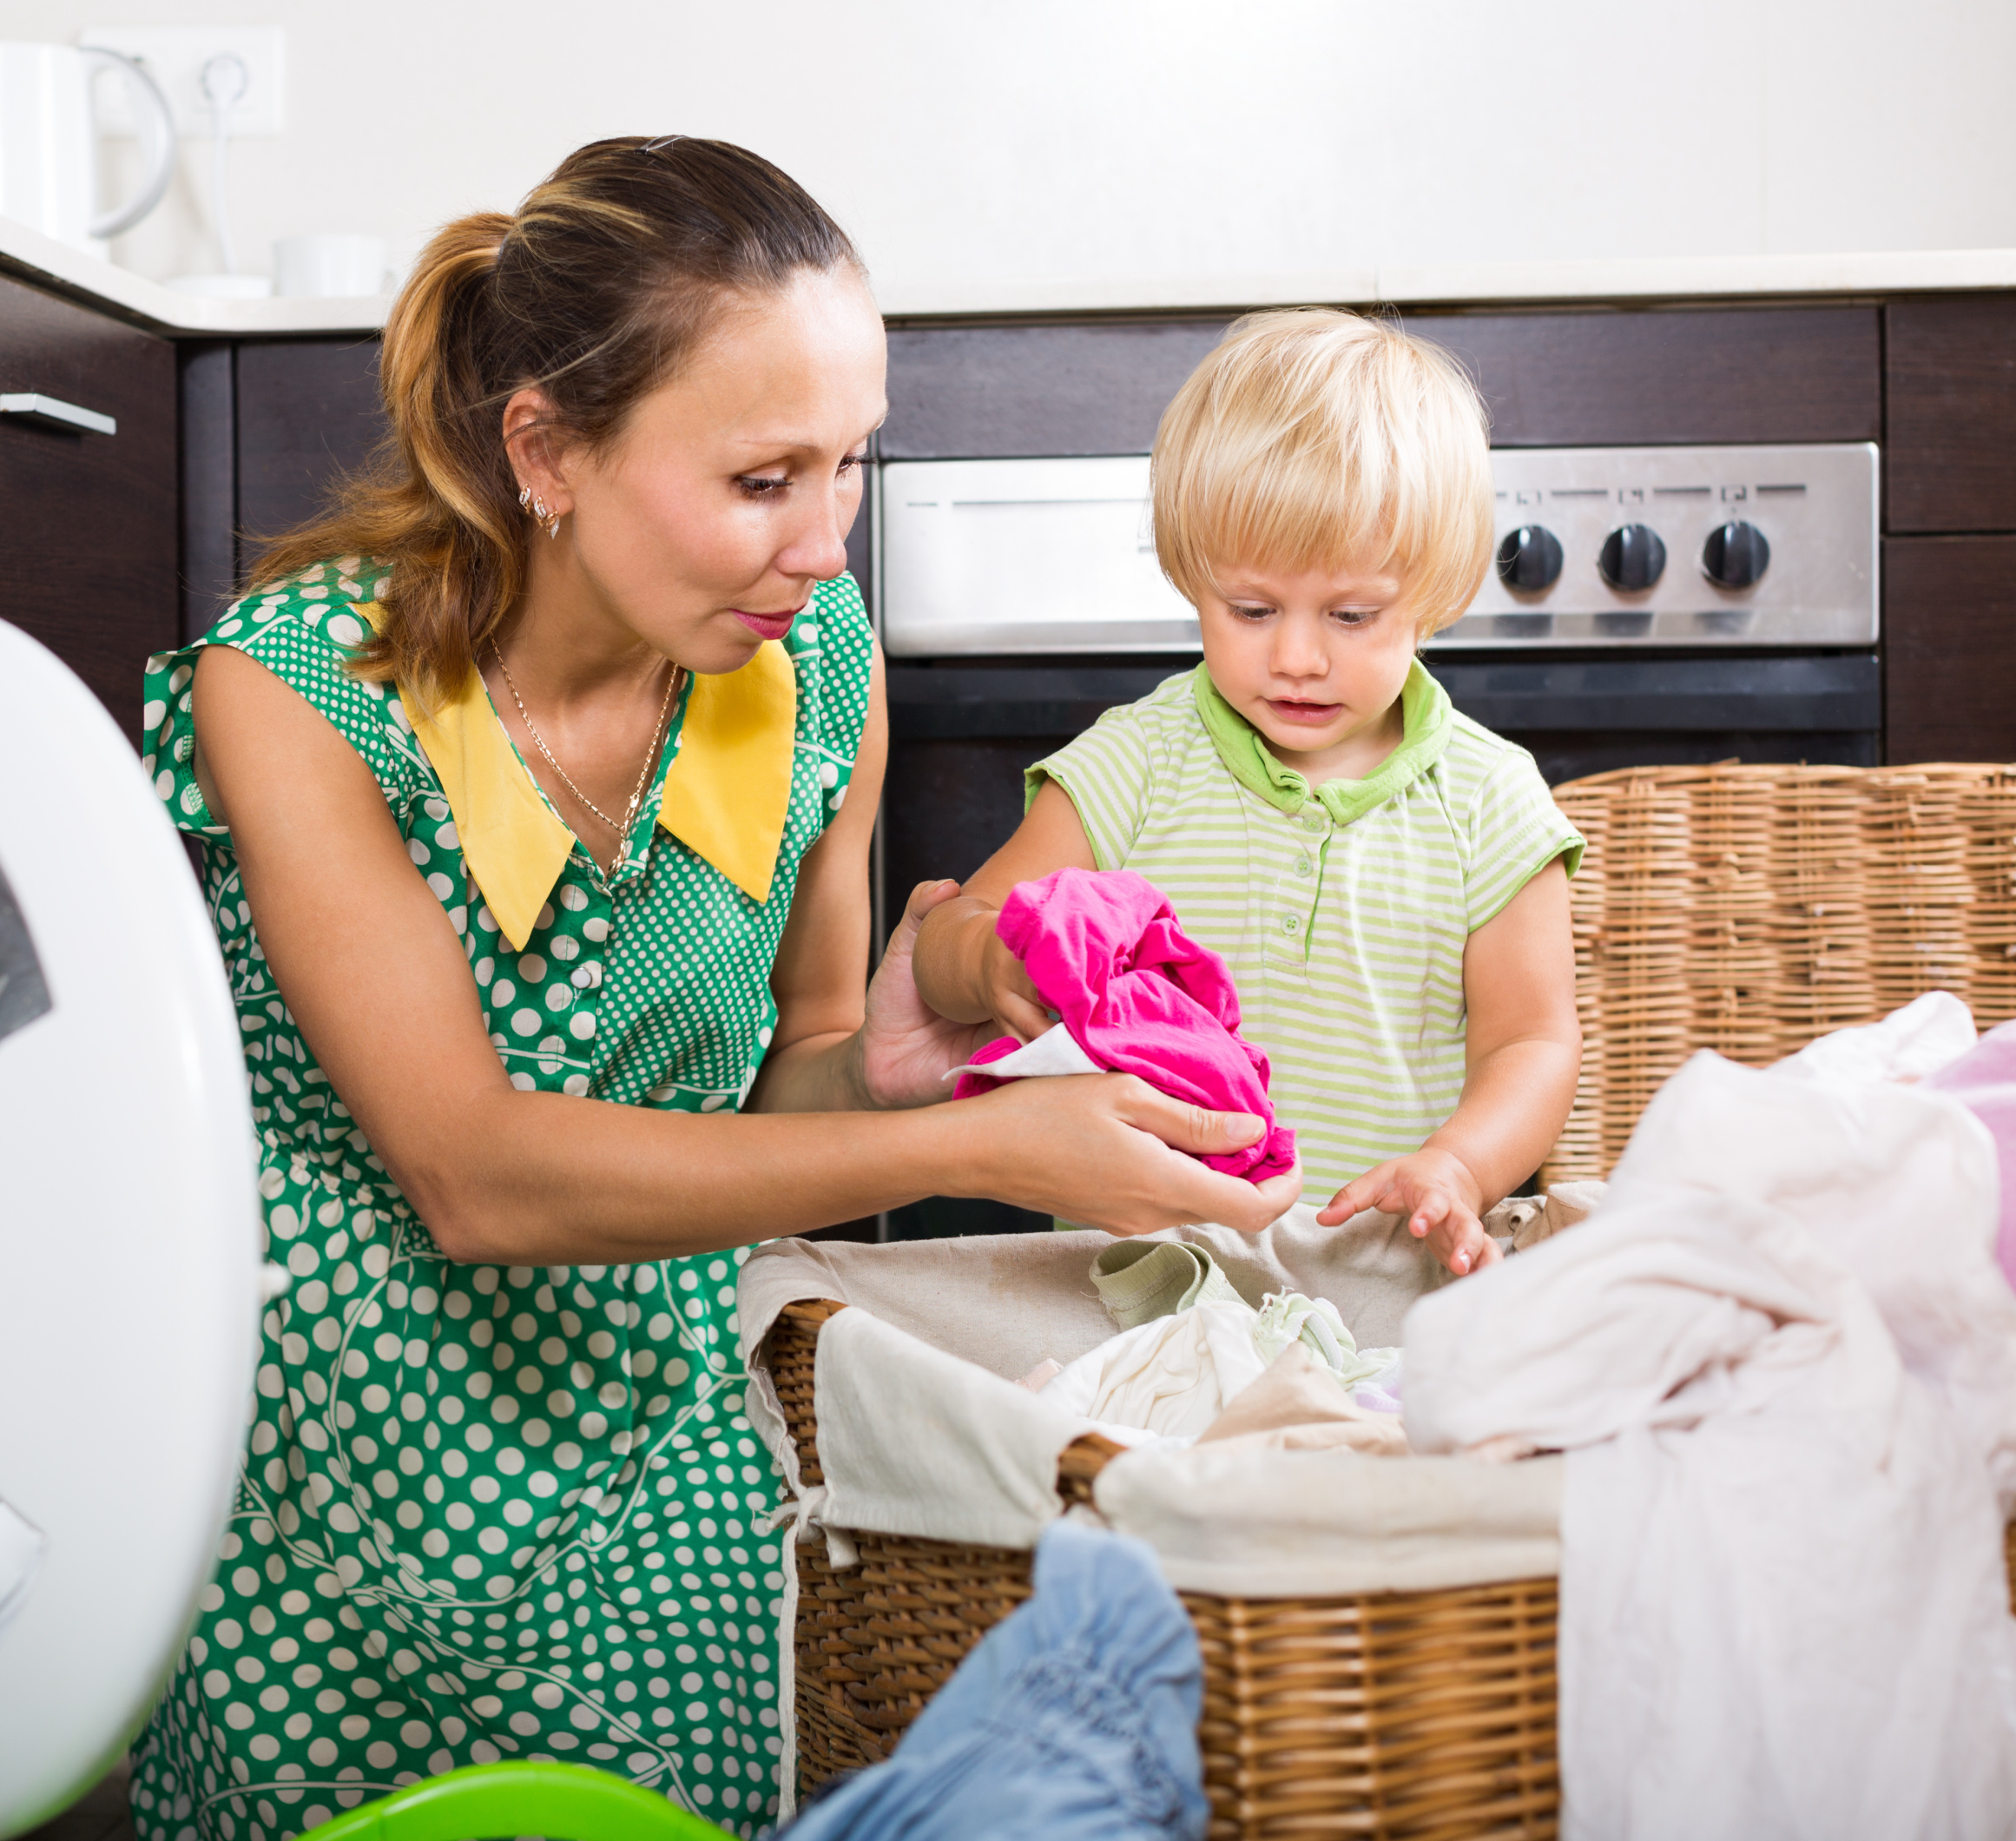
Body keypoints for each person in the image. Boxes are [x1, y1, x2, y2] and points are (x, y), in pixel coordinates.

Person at [126, 138, 1301, 1841]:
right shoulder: (301, 687)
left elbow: (793, 1079)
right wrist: (985, 1154)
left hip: (653, 1451)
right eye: (763, 480)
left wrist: (902, 1071)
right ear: (546, 450)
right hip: (330, 1488)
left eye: (849, 468)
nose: (824, 545)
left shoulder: (809, 669)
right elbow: (472, 1168)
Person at [912, 308, 1585, 1278]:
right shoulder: (1136, 763)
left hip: (1387, 1280)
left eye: (1353, 614)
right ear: (1191, 575)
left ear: (1436, 590)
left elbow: (1532, 1042)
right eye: (1252, 609)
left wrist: (1460, 1164)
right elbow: (953, 936)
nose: (1298, 657)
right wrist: (988, 961)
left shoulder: (1491, 799)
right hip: (1140, 1278)